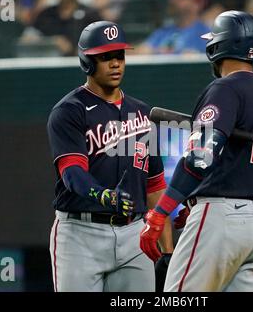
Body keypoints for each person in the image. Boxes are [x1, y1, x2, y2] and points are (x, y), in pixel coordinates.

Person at [140, 11, 253, 292]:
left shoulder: (226, 88)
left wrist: (161, 212)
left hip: (223, 218)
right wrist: (191, 202)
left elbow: (200, 157)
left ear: (219, 46)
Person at [46, 20, 174, 292]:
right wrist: (103, 194)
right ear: (87, 62)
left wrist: (168, 249)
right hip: (81, 234)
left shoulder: (141, 113)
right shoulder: (69, 111)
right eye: (105, 57)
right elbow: (71, 173)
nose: (115, 63)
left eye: (119, 55)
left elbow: (154, 186)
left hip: (134, 235)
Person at [134, 0, 210, 54]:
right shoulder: (163, 32)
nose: (172, 0)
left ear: (197, 3)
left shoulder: (207, 35)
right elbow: (139, 51)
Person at [33, 0, 102, 56]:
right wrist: (51, 42)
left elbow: (101, 43)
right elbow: (29, 39)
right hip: (49, 63)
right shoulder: (46, 15)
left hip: (81, 65)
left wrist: (74, 50)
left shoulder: (91, 15)